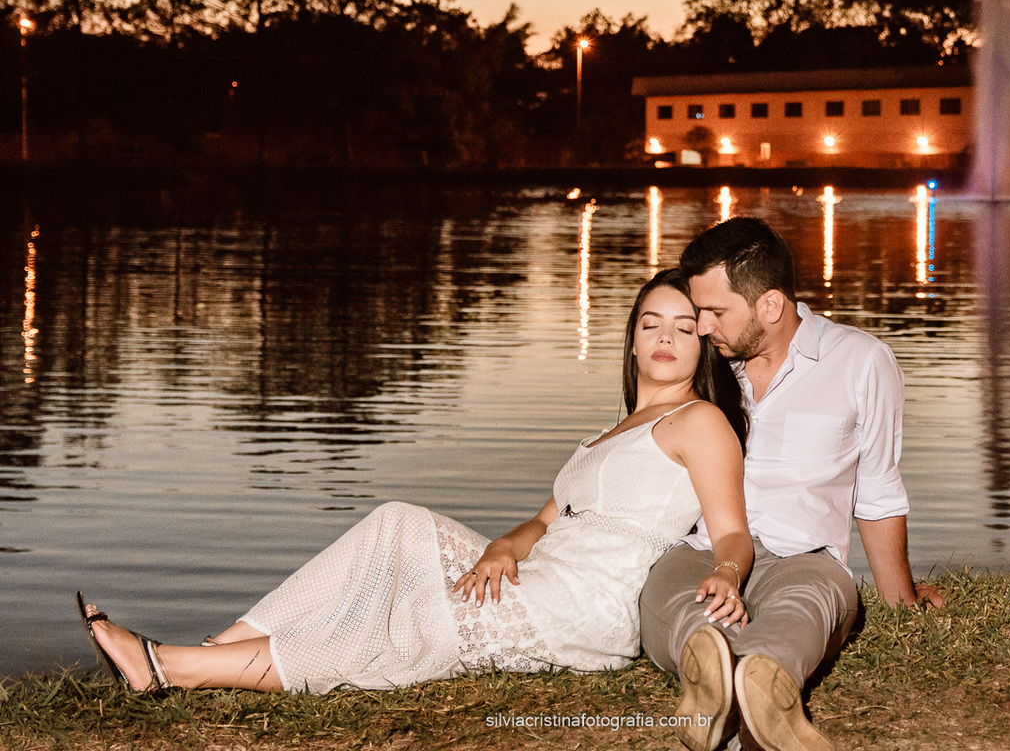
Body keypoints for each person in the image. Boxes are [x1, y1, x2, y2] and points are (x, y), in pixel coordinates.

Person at [77, 268, 755, 695]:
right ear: (632, 339)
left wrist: (726, 572)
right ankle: (219, 649)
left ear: (702, 345)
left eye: (683, 328)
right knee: (397, 521)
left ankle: (167, 668)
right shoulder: (607, 434)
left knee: (415, 618)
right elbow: (546, 521)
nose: (665, 338)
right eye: (650, 323)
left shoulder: (700, 421)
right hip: (543, 571)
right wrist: (502, 547)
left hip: (586, 607)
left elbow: (731, 532)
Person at [639, 218, 945, 751]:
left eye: (716, 312)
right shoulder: (705, 363)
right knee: (677, 602)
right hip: (703, 550)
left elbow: (877, 492)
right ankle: (711, 671)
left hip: (804, 559)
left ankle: (766, 679)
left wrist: (902, 601)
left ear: (771, 305)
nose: (702, 327)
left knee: (806, 606)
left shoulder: (861, 362)